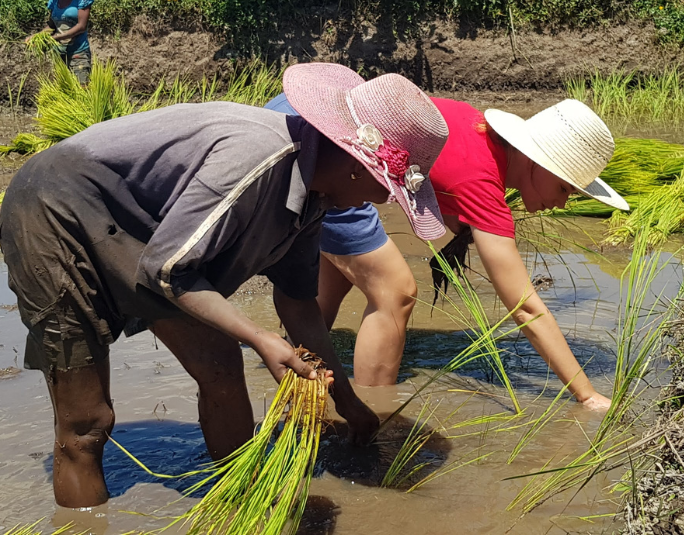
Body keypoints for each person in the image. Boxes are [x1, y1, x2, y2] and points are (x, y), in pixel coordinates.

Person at [0, 63, 449, 508]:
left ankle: (238, 499)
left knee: (222, 369)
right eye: (386, 188)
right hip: (54, 210)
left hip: (152, 233)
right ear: (356, 166)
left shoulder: (315, 196)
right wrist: (261, 339)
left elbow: (298, 303)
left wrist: (347, 402)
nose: (383, 201)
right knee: (87, 424)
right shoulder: (255, 160)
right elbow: (170, 271)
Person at [268, 77, 627, 410]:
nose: (563, 203)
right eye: (564, 187)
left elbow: (447, 197)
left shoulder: (478, 130)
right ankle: (371, 416)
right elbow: (526, 309)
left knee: (345, 271)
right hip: (332, 143)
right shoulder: (483, 184)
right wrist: (588, 395)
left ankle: (298, 377)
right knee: (395, 291)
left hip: (299, 114)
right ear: (537, 161)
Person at [28, 0, 95, 84]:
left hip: (78, 53)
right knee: (63, 88)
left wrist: (57, 37)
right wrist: (38, 36)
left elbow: (81, 26)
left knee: (82, 87)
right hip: (59, 52)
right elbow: (52, 25)